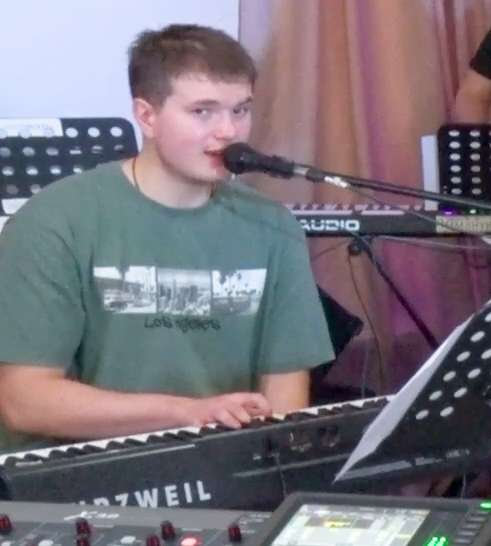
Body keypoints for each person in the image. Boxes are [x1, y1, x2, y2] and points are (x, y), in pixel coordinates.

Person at [0, 25, 335, 453]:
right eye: (203, 112)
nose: (228, 131)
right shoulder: (53, 222)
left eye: (240, 110)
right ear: (147, 117)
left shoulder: (273, 226)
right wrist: (187, 414)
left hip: (225, 469)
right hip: (91, 474)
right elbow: (23, 401)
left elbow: (285, 401)